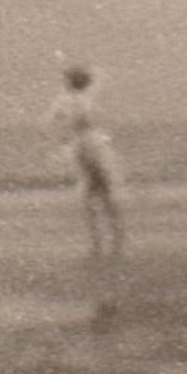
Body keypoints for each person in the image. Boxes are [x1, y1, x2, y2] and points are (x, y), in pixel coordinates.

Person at [49, 65, 125, 263]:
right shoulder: (84, 99)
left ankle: (97, 241)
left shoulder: (64, 100)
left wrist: (64, 140)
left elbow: (53, 121)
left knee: (90, 193)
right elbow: (92, 116)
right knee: (105, 191)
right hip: (94, 144)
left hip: (78, 147)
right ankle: (115, 238)